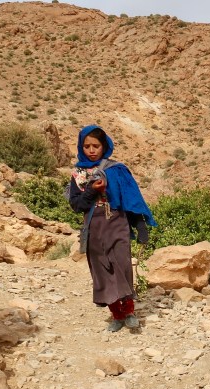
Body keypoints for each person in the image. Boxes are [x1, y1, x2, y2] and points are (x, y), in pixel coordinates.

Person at [67, 125, 156, 332]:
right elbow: (76, 205)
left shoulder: (116, 170)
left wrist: (141, 226)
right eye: (86, 146)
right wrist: (90, 190)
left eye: (95, 146)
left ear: (104, 146)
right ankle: (116, 314)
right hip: (94, 225)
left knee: (122, 264)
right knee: (102, 269)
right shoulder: (78, 174)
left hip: (117, 221)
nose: (91, 150)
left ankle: (130, 311)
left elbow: (131, 199)